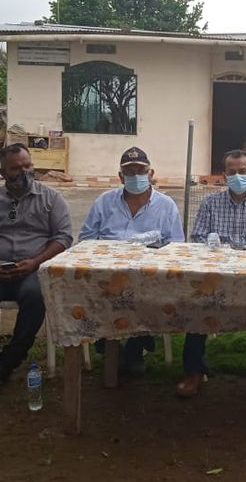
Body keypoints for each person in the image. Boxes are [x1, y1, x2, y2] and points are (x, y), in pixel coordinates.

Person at [0, 143, 73, 390]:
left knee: (36, 296)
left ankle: (7, 362)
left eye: (28, 165)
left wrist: (36, 262)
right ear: (2, 172)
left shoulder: (52, 199)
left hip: (32, 269)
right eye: (16, 168)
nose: (25, 172)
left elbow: (63, 238)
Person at [179, 149, 246, 398]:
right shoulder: (210, 203)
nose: (237, 176)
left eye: (242, 171)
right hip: (216, 275)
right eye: (231, 172)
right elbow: (197, 238)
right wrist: (216, 248)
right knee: (197, 305)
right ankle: (194, 371)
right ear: (224, 175)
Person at [78, 146, 184, 375]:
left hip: (148, 273)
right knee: (94, 288)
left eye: (140, 171)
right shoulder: (104, 202)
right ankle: (108, 343)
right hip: (107, 272)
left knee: (148, 291)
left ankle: (135, 348)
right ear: (120, 176)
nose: (136, 176)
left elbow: (176, 246)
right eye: (129, 172)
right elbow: (86, 240)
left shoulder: (166, 206)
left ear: (151, 173)